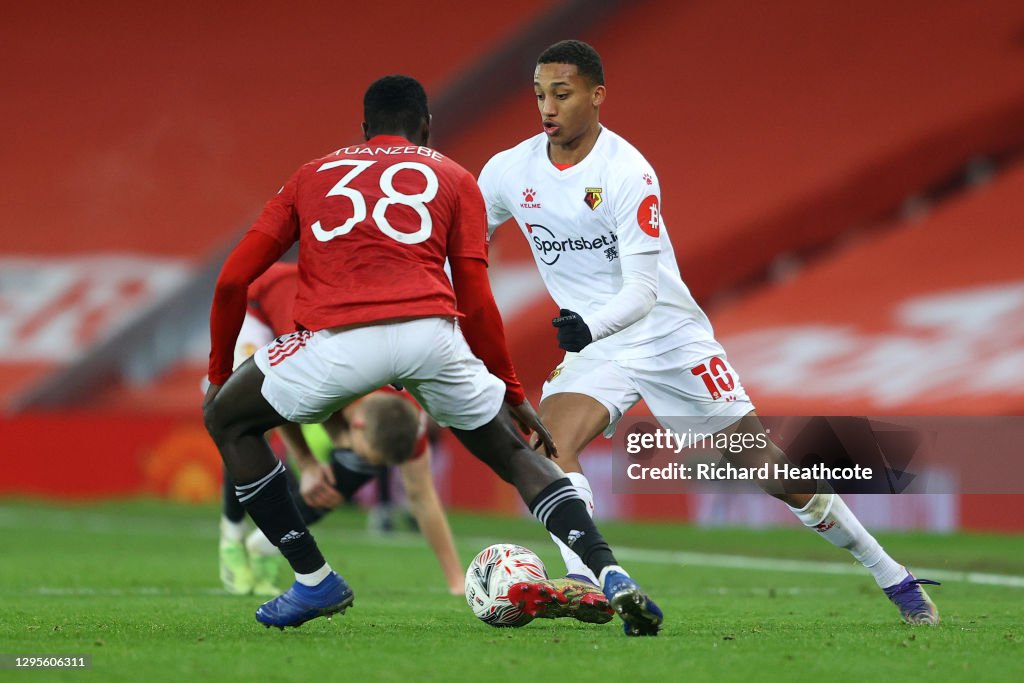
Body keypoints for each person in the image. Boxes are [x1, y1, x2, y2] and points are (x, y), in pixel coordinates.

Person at [478, 40, 939, 626]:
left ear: (596, 96)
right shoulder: (509, 170)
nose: (547, 107)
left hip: (666, 335)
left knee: (770, 470)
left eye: (562, 95)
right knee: (548, 445)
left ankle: (891, 576)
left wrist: (588, 324)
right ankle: (585, 579)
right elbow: (469, 236)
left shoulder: (627, 172)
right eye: (540, 95)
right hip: (596, 346)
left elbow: (643, 291)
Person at [202, 75, 662, 635]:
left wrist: (219, 377)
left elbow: (231, 281)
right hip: (432, 337)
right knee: (516, 456)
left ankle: (313, 578)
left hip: (340, 340)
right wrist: (513, 392)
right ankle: (607, 569)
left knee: (227, 419)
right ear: (425, 129)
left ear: (365, 128)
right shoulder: (454, 176)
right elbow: (476, 297)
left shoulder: (310, 176)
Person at [217, 264, 464, 597]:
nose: (367, 467)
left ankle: (266, 542)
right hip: (260, 305)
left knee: (353, 459)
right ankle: (231, 536)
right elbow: (273, 402)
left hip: (315, 329)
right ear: (358, 424)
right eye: (360, 448)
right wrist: (305, 463)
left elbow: (423, 496)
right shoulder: (328, 374)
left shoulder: (404, 415)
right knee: (240, 421)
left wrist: (456, 582)